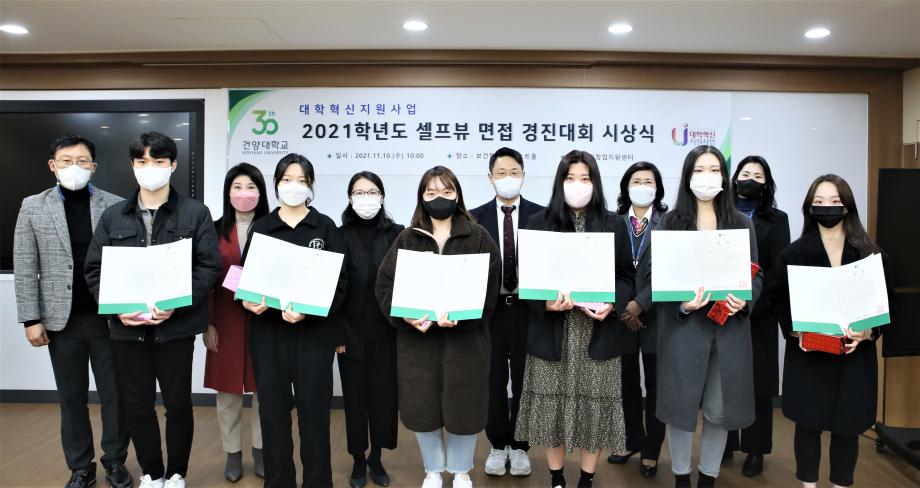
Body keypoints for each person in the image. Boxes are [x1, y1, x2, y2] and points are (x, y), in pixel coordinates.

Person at [84, 132, 222, 488]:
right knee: (137, 406)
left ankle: (176, 473)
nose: (151, 168)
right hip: (127, 331)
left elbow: (209, 266)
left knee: (178, 405)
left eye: (159, 161)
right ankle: (152, 472)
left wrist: (176, 305)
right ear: (133, 166)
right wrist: (116, 310)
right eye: (142, 162)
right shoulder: (113, 216)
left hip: (175, 329)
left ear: (173, 165)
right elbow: (95, 270)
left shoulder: (195, 213)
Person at [13, 134, 132, 488]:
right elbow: (25, 265)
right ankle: (81, 466)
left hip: (110, 318)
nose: (74, 167)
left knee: (115, 395)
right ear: (53, 165)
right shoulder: (33, 206)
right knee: (71, 397)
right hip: (61, 321)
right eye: (66, 160)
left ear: (94, 166)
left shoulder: (115, 205)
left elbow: (129, 264)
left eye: (82, 161)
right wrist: (31, 319)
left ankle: (115, 462)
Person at [375, 165, 501, 488]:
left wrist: (465, 315)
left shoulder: (479, 237)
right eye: (431, 193)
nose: (439, 198)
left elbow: (490, 290)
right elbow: (384, 285)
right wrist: (404, 316)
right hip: (419, 344)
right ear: (422, 197)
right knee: (423, 407)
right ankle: (432, 470)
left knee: (464, 407)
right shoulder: (408, 238)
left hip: (467, 344)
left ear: (457, 195)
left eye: (446, 191)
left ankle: (460, 471)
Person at [514, 150, 634, 488]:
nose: (578, 185)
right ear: (559, 182)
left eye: (585, 178)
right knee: (551, 409)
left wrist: (613, 303)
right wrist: (545, 304)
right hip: (552, 333)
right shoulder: (538, 223)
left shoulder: (614, 224)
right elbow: (528, 281)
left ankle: (586, 479)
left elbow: (627, 276)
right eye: (570, 178)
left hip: (597, 332)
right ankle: (556, 478)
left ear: (595, 183)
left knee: (593, 410)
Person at [769, 174, 893, 488]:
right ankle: (808, 484)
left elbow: (887, 305)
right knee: (808, 426)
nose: (827, 207)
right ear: (809, 208)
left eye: (835, 201)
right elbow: (777, 301)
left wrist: (868, 332)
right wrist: (796, 333)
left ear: (847, 206)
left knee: (847, 428)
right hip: (810, 357)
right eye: (819, 202)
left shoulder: (870, 254)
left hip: (854, 359)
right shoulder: (794, 254)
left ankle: (841, 483)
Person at [651, 145, 761, 488]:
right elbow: (657, 277)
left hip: (728, 332)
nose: (707, 177)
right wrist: (683, 304)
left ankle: (708, 478)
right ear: (687, 177)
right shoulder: (670, 223)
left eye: (714, 170)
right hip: (683, 332)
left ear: (725, 178)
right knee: (680, 410)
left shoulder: (740, 223)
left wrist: (745, 300)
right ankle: (682, 477)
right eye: (699, 170)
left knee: (719, 411)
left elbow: (755, 274)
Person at [240, 153, 347, 488]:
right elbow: (244, 279)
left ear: (311, 185)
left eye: (301, 181)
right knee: (272, 416)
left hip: (313, 336)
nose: (293, 187)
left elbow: (341, 283)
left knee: (314, 417)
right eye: (287, 180)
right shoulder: (262, 227)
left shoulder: (325, 227)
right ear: (276, 184)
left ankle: (318, 482)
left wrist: (308, 310)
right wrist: (247, 301)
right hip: (268, 336)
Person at [468, 147, 544, 478]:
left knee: (528, 380)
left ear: (524, 175)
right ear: (490, 178)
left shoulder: (542, 216)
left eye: (514, 172)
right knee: (493, 381)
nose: (508, 178)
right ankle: (498, 445)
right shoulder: (473, 218)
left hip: (530, 312)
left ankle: (521, 446)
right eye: (501, 173)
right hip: (491, 312)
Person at [723, 156, 790, 477]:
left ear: (767, 183)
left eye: (758, 175)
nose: (750, 179)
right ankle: (724, 443)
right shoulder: (720, 215)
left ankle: (756, 449)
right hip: (721, 311)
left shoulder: (777, 219)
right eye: (745, 173)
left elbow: (777, 269)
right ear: (735, 178)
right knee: (723, 380)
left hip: (760, 313)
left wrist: (751, 303)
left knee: (759, 385)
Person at [337, 171, 405, 488]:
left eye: (372, 191)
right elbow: (332, 289)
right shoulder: (339, 235)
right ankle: (357, 458)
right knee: (354, 399)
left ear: (382, 196)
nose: (366, 198)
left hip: (388, 332)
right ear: (350, 198)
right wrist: (337, 334)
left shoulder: (397, 234)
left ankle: (376, 456)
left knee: (383, 398)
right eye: (359, 192)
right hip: (349, 333)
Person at [203, 163, 270, 482]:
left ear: (261, 192)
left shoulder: (272, 228)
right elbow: (205, 281)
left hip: (265, 320)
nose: (244, 193)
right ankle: (232, 454)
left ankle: (261, 451)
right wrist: (208, 324)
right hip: (225, 320)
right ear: (227, 193)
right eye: (237, 187)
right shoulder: (212, 230)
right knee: (227, 394)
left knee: (264, 390)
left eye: (251, 187)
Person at [608, 161, 668, 479]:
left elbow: (672, 270)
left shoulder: (670, 224)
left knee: (657, 387)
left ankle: (652, 450)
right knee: (626, 385)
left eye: (648, 181)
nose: (642, 186)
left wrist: (641, 304)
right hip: (622, 318)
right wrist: (625, 307)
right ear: (626, 187)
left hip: (658, 317)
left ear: (657, 188)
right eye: (636, 180)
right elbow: (608, 268)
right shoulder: (613, 222)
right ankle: (632, 440)